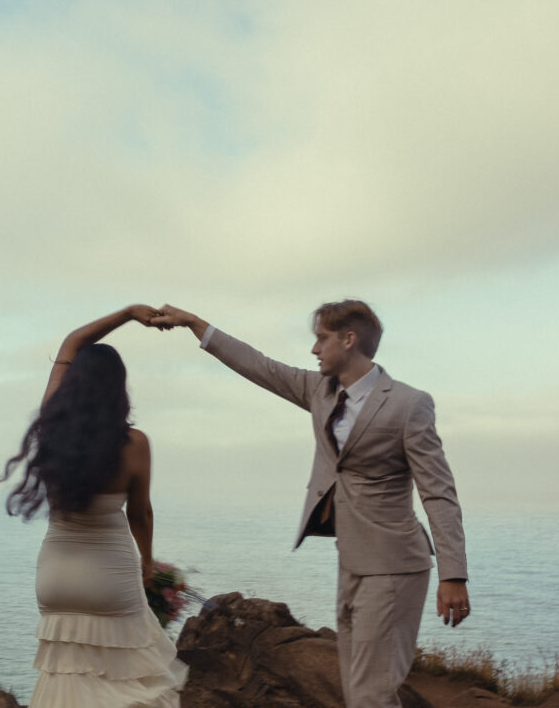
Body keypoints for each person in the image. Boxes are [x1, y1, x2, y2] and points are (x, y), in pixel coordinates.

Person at [151, 299, 470, 708]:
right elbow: (260, 366)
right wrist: (196, 324)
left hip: (394, 565)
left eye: (321, 339)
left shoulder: (408, 405)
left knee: (372, 694)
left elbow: (438, 490)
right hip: (351, 560)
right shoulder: (320, 392)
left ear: (349, 339)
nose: (314, 349)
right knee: (358, 691)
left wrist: (453, 575)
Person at [0, 305, 187, 708]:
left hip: (56, 578)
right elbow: (140, 514)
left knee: (67, 679)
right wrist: (149, 564)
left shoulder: (51, 427)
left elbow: (72, 342)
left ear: (73, 386)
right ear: (119, 388)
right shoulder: (134, 445)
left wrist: (127, 313)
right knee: (127, 684)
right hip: (109, 578)